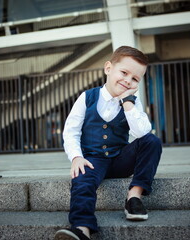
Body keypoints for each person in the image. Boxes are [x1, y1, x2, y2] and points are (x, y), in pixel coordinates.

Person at [54, 46, 162, 240]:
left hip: (120, 160)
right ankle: (82, 228)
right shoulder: (87, 97)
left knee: (152, 141)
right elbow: (71, 131)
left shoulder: (133, 102)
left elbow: (141, 132)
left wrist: (127, 102)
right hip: (93, 160)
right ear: (108, 68)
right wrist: (76, 157)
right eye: (124, 72)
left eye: (135, 79)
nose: (128, 80)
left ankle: (134, 197)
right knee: (82, 181)